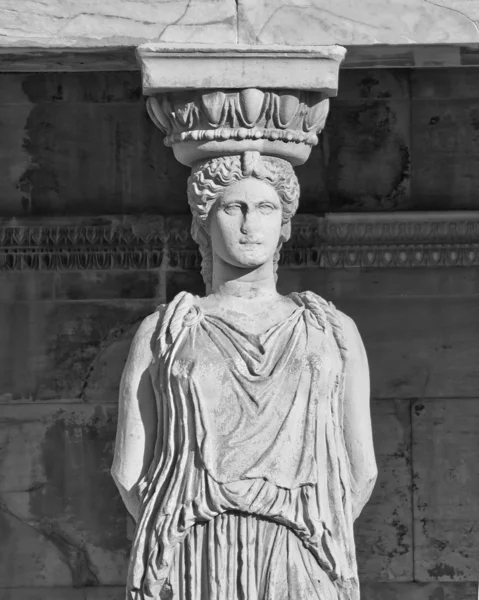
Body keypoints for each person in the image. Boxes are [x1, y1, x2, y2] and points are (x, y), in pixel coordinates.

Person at [111, 151, 377, 600]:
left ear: (285, 226)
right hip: (197, 546)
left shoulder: (329, 328)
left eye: (266, 208)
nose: (249, 224)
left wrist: (311, 526)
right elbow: (127, 470)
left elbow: (362, 469)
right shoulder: (164, 330)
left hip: (301, 543)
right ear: (202, 224)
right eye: (233, 208)